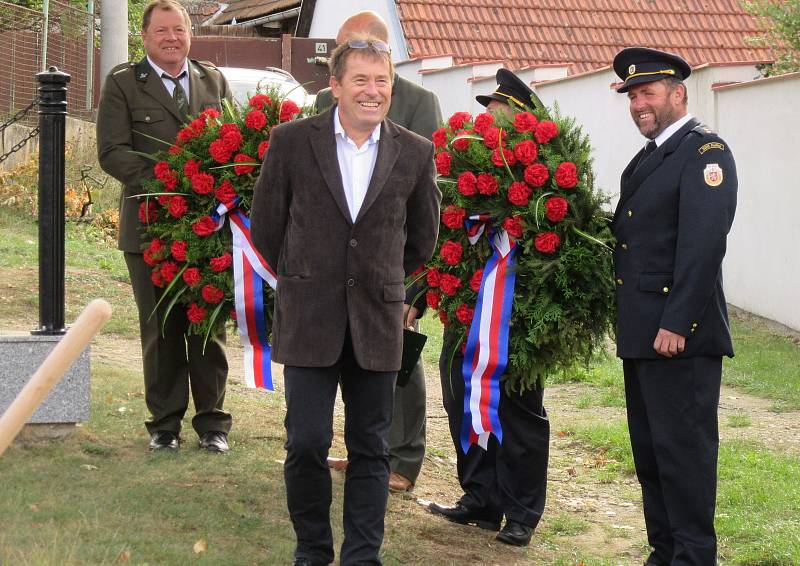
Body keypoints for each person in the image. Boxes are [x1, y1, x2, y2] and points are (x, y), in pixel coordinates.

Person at [250, 37, 440, 566]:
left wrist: (382, 279)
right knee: (306, 442)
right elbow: (267, 227)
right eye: (360, 80)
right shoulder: (290, 142)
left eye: (381, 81)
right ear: (335, 86)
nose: (372, 92)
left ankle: (362, 556)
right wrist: (307, 275)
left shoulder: (414, 152)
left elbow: (423, 239)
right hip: (309, 319)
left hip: (377, 324)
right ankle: (312, 549)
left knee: (371, 448)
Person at [611, 47, 737, 565]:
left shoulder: (705, 152)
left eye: (649, 93)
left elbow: (704, 244)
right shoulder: (649, 156)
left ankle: (692, 556)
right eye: (634, 95)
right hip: (642, 332)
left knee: (683, 455)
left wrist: (677, 322)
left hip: (677, 336)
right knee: (651, 453)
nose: (641, 103)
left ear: (678, 94)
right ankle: (664, 552)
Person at [315, 11, 443, 494]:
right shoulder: (321, 100)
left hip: (395, 268)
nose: (356, 56)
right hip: (336, 269)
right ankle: (363, 450)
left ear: (388, 53)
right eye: (347, 49)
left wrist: (414, 284)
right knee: (349, 359)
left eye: (368, 47)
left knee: (399, 362)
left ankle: (404, 459)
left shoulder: (419, 102)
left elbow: (430, 197)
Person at [97, 0, 233, 453]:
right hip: (150, 226)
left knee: (207, 322)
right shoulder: (122, 84)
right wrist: (171, 180)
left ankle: (213, 423)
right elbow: (112, 151)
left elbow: (231, 143)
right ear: (145, 36)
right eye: (162, 31)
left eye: (179, 29)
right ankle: (165, 423)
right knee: (160, 326)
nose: (172, 38)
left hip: (207, 227)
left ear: (190, 33)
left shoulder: (212, 80)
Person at [425, 69, 550, 548]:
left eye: (500, 116)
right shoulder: (467, 172)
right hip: (467, 306)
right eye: (488, 114)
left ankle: (520, 512)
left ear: (525, 123)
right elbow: (441, 236)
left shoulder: (541, 176)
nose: (489, 124)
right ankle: (480, 499)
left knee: (517, 408)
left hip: (516, 312)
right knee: (462, 394)